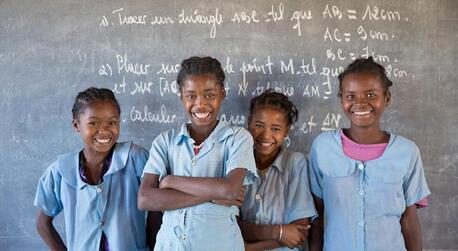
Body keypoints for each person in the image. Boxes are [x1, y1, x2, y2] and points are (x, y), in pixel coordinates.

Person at [308, 57, 430, 251]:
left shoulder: (407, 152)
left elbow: (409, 220)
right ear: (341, 99)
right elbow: (317, 216)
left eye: (371, 95)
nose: (361, 103)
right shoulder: (322, 148)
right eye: (350, 96)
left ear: (386, 98)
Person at [138, 56, 257, 251]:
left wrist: (170, 182)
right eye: (191, 95)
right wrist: (212, 195)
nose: (200, 104)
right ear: (181, 97)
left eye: (209, 95)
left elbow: (231, 190)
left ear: (222, 93)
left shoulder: (238, 138)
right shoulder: (165, 141)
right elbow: (145, 199)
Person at [34, 87, 150, 251]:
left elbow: (157, 209)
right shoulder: (60, 170)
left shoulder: (135, 158)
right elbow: (42, 222)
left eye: (112, 122)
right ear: (76, 125)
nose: (103, 130)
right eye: (93, 123)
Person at [239, 90, 317, 251]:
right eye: (259, 126)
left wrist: (246, 244)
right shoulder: (236, 163)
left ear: (287, 130)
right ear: (249, 123)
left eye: (276, 128)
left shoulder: (296, 163)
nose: (266, 135)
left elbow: (299, 233)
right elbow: (229, 225)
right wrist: (279, 232)